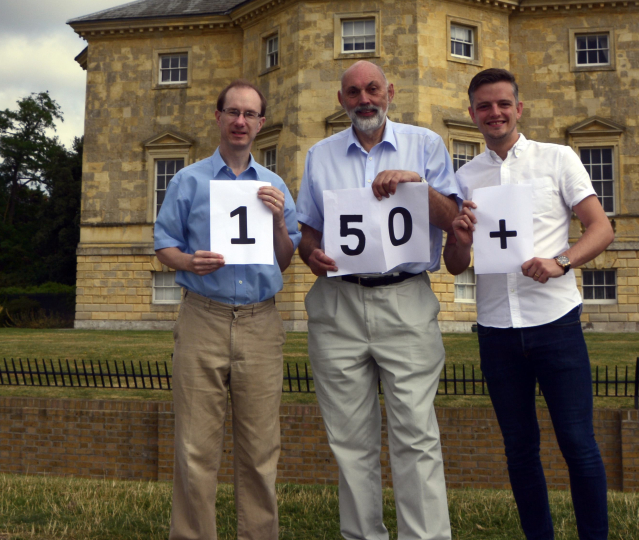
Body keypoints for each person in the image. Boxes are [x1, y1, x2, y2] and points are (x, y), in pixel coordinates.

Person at [444, 68, 614, 540]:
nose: (494, 113)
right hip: (496, 329)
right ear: (473, 114)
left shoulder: (558, 159)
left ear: (519, 108)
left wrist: (562, 260)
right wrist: (457, 238)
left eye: (502, 104)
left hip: (554, 322)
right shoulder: (465, 178)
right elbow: (456, 263)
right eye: (483, 106)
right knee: (519, 449)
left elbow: (600, 228)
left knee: (578, 444)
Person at [296, 60, 459, 540]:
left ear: (390, 90)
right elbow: (308, 233)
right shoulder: (320, 155)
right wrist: (312, 256)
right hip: (337, 302)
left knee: (416, 434)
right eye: (353, 92)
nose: (364, 99)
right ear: (341, 100)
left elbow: (452, 219)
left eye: (372, 89)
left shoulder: (426, 144)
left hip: (404, 299)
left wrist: (416, 185)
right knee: (349, 441)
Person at [154, 80, 300, 540]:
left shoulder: (274, 184)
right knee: (195, 448)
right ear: (218, 117)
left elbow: (285, 257)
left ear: (260, 123)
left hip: (260, 320)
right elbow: (164, 245)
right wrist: (187, 261)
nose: (240, 122)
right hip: (203, 316)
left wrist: (278, 221)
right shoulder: (188, 180)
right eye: (232, 112)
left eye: (250, 114)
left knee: (260, 450)